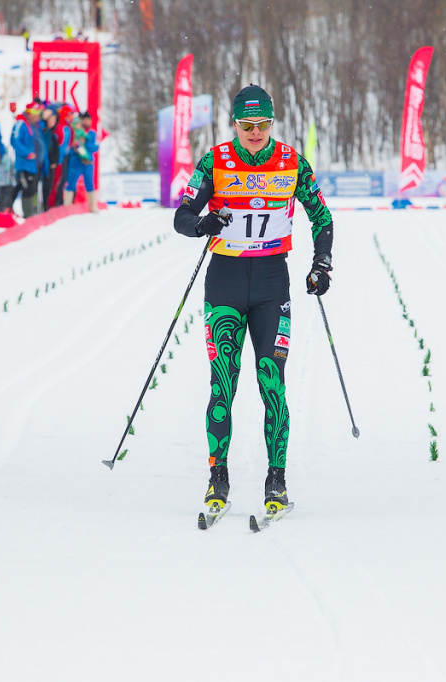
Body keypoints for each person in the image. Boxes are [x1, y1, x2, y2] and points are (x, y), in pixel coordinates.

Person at [173, 84, 334, 516]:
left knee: (272, 385)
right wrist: (205, 222)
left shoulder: (291, 162)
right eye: (247, 126)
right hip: (225, 284)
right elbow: (181, 217)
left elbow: (320, 215)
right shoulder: (216, 161)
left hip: (270, 285)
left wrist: (322, 265)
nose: (256, 133)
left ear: (272, 123)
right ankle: (217, 476)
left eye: (263, 124)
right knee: (222, 383)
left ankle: (276, 479)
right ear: (236, 125)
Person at [10, 101, 46, 217]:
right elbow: (15, 141)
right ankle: (26, 213)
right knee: (25, 188)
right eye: (35, 114)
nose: (37, 117)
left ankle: (28, 212)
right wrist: (27, 153)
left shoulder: (34, 125)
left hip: (33, 165)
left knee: (30, 188)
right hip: (24, 164)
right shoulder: (21, 123)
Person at [62, 110, 99, 212]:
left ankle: (92, 206)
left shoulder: (91, 133)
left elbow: (95, 146)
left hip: (88, 162)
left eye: (89, 120)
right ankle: (67, 207)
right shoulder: (74, 131)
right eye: (85, 120)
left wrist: (84, 144)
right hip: (75, 161)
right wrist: (76, 146)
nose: (87, 122)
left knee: (89, 183)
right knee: (71, 183)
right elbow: (71, 145)